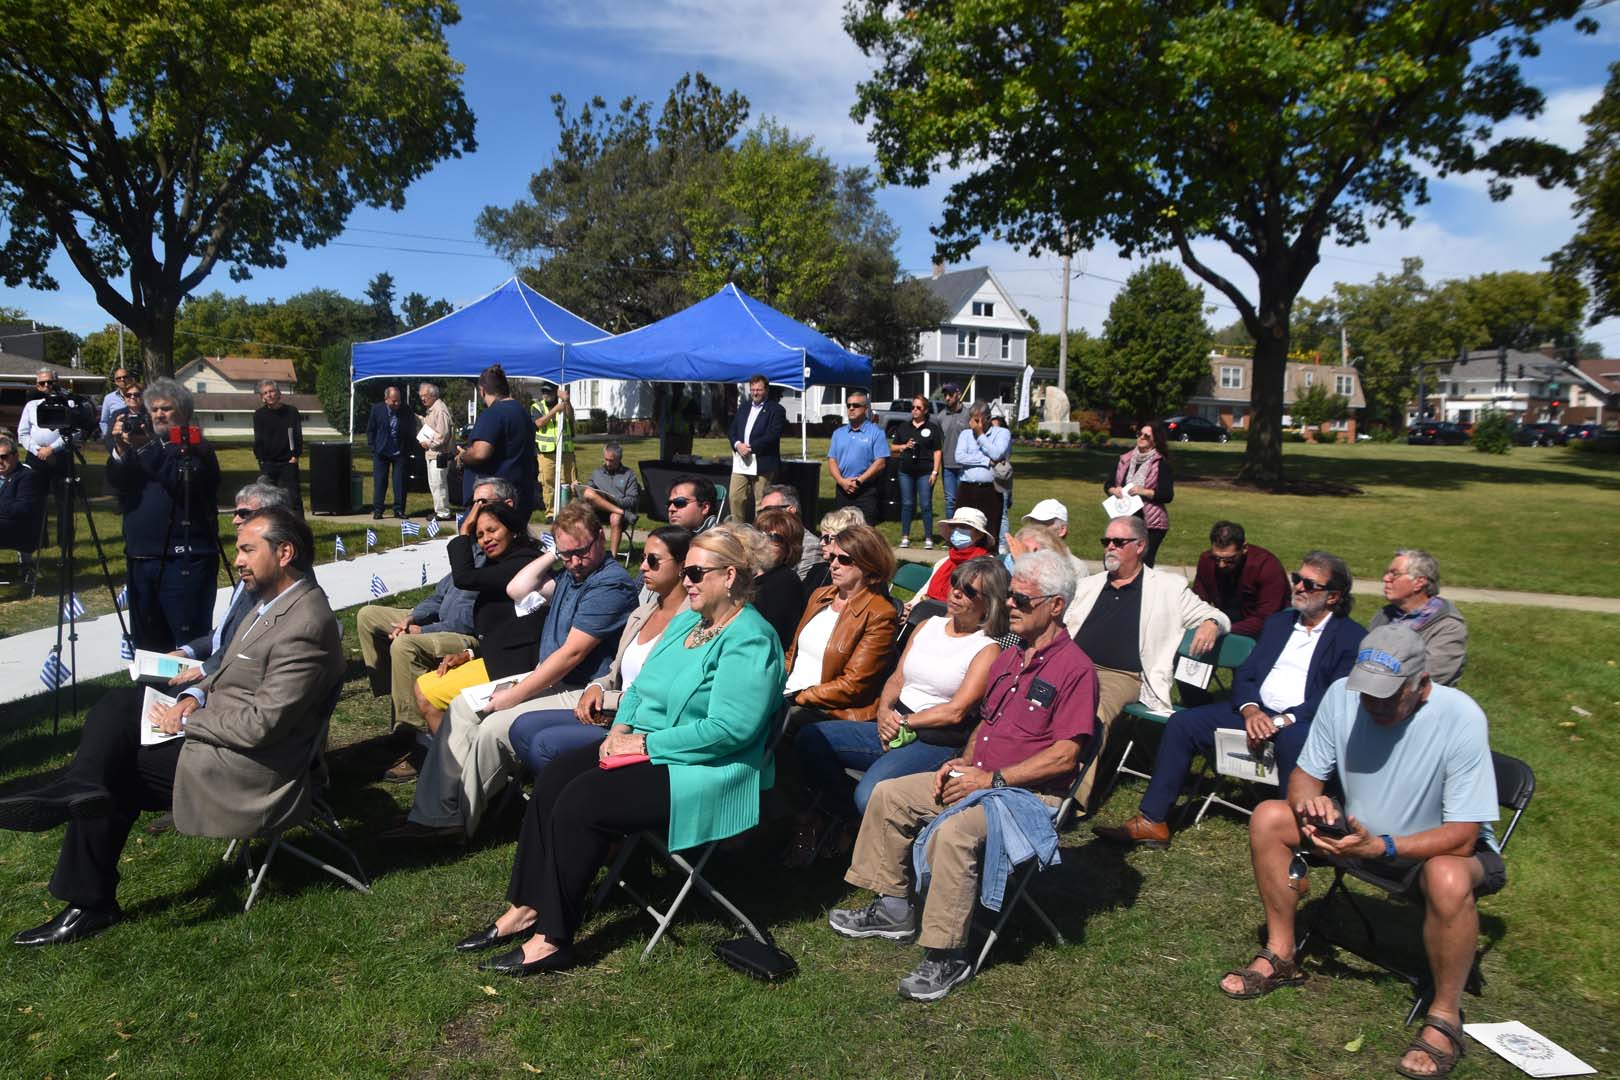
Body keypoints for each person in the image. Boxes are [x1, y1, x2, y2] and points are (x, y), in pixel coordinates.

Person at [0, 507, 343, 945]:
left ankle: (88, 898)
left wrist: (192, 719)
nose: (237, 559)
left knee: (117, 771)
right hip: (225, 738)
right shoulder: (271, 602)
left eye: (246, 549)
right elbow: (226, 670)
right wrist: (191, 696)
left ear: (284, 552)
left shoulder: (306, 623)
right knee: (123, 703)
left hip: (256, 768)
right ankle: (79, 789)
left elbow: (264, 724)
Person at [459, 525, 786, 976]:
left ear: (729, 576)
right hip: (653, 746)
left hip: (707, 767)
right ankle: (528, 906)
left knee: (584, 801)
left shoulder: (750, 638)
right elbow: (641, 683)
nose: (686, 580)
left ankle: (552, 939)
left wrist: (645, 742)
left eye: (695, 571)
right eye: (686, 570)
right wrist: (623, 727)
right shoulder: (692, 620)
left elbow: (731, 730)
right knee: (555, 778)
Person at [1217, 625, 1503, 1080]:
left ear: (1422, 685)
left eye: (1388, 696)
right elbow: (1305, 778)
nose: (1373, 704)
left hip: (1434, 848)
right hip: (1358, 831)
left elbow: (1465, 835)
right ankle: (1282, 954)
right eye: (1367, 692)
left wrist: (1383, 845)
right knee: (1270, 816)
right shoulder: (1341, 695)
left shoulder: (1461, 716)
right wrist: (1310, 806)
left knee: (1448, 876)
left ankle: (1446, 1016)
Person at [829, 548, 1099, 1002]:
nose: (1010, 605)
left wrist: (992, 780)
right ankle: (894, 906)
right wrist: (964, 763)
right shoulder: (1012, 657)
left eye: (1023, 600)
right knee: (889, 795)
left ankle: (946, 954)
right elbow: (985, 725)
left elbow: (1064, 758)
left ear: (1056, 605)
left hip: (1026, 796)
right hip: (981, 777)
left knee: (953, 834)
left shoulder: (1076, 670)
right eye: (1011, 597)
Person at [387, 501, 638, 839]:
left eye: (581, 551)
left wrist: (514, 696)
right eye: (566, 554)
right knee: (462, 705)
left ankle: (455, 822)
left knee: (493, 724)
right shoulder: (571, 572)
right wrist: (557, 553)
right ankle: (434, 812)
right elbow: (517, 589)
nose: (575, 562)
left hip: (580, 688)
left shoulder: (610, 583)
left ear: (601, 537)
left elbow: (572, 654)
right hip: (553, 680)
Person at [1096, 552, 1364, 848]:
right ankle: (1152, 820)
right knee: (1183, 723)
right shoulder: (1280, 623)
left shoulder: (1351, 638)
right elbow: (1246, 673)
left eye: (1309, 584)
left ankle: (1296, 834)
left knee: (1294, 741)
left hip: (1302, 721)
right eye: (1296, 579)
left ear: (1333, 596)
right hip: (1256, 712)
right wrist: (1251, 710)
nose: (1298, 587)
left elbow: (1333, 696)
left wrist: (1282, 720)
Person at [796, 556, 1010, 835]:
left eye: (969, 591)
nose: (956, 592)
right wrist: (884, 712)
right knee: (810, 739)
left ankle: (853, 822)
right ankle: (846, 816)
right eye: (955, 583)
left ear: (989, 602)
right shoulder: (927, 626)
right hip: (892, 724)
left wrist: (905, 722)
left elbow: (956, 710)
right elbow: (897, 678)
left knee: (869, 793)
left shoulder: (986, 649)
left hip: (933, 740)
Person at [1063, 515, 1228, 812]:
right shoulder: (1088, 585)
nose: (1109, 548)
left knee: (1091, 710)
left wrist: (1210, 623)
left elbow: (1217, 614)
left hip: (1121, 675)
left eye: (1118, 542)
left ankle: (1069, 795)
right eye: (1106, 542)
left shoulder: (1167, 588)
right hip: (1072, 665)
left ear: (1140, 546)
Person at [506, 525, 693, 784]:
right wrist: (596, 685)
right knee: (521, 727)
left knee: (543, 744)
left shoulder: (689, 624)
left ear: (683, 565)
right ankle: (558, 796)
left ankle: (565, 801)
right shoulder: (643, 613)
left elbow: (660, 694)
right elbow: (617, 668)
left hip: (637, 722)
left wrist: (607, 699)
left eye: (653, 560)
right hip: (609, 709)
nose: (642, 567)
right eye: (642, 558)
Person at [405, 501, 544, 743]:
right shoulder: (501, 563)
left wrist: (463, 534)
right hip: (494, 657)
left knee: (427, 694)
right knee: (425, 685)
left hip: (516, 669)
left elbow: (465, 577)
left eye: (492, 530)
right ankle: (457, 757)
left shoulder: (525, 563)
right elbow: (500, 630)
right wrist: (470, 653)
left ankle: (454, 766)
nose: (485, 539)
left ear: (512, 529)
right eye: (479, 535)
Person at [107, 378, 221, 653]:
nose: (158, 414)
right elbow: (116, 486)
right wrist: (121, 450)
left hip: (184, 560)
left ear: (183, 413)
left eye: (166, 409)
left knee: (184, 644)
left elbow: (183, 484)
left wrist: (146, 447)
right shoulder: (142, 448)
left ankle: (186, 695)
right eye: (154, 409)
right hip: (140, 557)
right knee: (147, 643)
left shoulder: (197, 448)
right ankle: (150, 695)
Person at [1367, 549, 1469, 686]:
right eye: (1387, 573)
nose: (1386, 578)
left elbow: (1430, 677)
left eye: (1395, 574)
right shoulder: (1384, 615)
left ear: (1419, 582)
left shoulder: (1448, 628)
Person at [459, 364, 539, 523]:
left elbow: (481, 453)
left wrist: (463, 455)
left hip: (493, 503)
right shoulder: (521, 412)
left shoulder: (494, 413)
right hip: (519, 495)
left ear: (482, 391)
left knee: (478, 545)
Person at [1191, 520, 1290, 639]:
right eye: (1217, 558)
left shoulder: (1267, 566)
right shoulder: (1207, 561)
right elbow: (1198, 603)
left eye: (1230, 559)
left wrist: (1222, 627)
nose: (1221, 565)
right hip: (1224, 623)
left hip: (1265, 631)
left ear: (1244, 548)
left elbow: (1267, 617)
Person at [905, 507, 994, 622]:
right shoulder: (945, 561)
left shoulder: (987, 566)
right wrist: (910, 606)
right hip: (925, 616)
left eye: (964, 527)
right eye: (954, 526)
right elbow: (925, 590)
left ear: (979, 534)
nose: (957, 530)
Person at [1106, 421, 1174, 566]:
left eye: (1146, 436)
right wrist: (1114, 490)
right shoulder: (1125, 459)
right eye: (1139, 434)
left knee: (1143, 564)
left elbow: (1167, 495)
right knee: (1116, 561)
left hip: (1151, 523)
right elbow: (1108, 485)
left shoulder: (1161, 463)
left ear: (1155, 441)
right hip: (1124, 519)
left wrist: (1143, 491)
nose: (1141, 438)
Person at [727, 374, 786, 523]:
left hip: (763, 462)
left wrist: (751, 448)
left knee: (761, 503)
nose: (755, 393)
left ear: (766, 390)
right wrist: (737, 445)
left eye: (758, 390)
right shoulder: (744, 407)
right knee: (735, 497)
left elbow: (773, 435)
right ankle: (738, 531)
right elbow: (732, 430)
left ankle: (761, 534)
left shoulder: (776, 410)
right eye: (752, 389)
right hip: (741, 461)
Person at [749, 507, 810, 650]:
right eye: (760, 534)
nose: (763, 542)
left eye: (774, 538)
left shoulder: (785, 582)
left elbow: (766, 633)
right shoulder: (747, 574)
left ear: (790, 548)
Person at [826, 390, 890, 521]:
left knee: (864, 532)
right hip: (843, 489)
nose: (851, 408)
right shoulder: (838, 433)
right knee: (842, 531)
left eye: (855, 405)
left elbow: (881, 462)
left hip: (866, 490)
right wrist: (841, 481)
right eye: (848, 405)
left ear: (865, 408)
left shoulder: (876, 433)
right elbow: (832, 460)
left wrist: (859, 481)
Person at [888, 394, 942, 549]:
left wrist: (934, 472)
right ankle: (905, 537)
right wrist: (904, 446)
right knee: (907, 503)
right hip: (906, 471)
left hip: (925, 472)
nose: (915, 410)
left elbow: (937, 451)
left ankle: (929, 538)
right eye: (913, 407)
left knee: (925, 504)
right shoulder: (904, 427)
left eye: (918, 408)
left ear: (925, 410)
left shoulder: (932, 428)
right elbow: (893, 447)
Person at [951, 403, 1009, 544]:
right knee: (963, 526)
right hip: (967, 486)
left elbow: (996, 454)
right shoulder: (965, 434)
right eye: (971, 419)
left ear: (988, 418)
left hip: (991, 488)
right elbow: (959, 457)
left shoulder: (1001, 433)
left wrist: (980, 435)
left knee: (990, 528)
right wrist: (986, 461)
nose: (973, 424)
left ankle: (991, 556)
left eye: (977, 420)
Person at [574, 441, 642, 558]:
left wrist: (615, 501)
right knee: (588, 495)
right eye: (606, 459)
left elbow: (632, 500)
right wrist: (577, 487)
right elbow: (589, 492)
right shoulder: (597, 473)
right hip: (601, 511)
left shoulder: (629, 475)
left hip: (619, 514)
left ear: (619, 459)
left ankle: (613, 557)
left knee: (615, 517)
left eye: (611, 460)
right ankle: (589, 553)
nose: (608, 463)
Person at [251, 379, 303, 515]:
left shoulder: (291, 412)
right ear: (262, 397)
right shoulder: (259, 415)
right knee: (267, 501)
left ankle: (299, 531)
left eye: (271, 391)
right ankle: (272, 530)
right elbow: (258, 439)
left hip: (288, 462)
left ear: (278, 393)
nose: (269, 395)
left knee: (293, 500)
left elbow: (297, 435)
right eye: (265, 393)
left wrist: (295, 455)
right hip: (268, 464)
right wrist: (260, 459)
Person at [531, 382, 575, 521]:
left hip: (565, 451)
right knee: (548, 482)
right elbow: (538, 423)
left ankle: (568, 513)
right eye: (544, 391)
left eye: (548, 392)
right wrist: (555, 410)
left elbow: (571, 418)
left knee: (568, 483)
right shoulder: (537, 407)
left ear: (556, 392)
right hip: (546, 452)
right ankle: (550, 513)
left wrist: (566, 401)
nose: (545, 394)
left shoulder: (564, 404)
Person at [759, 484, 821, 580]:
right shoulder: (758, 540)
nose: (764, 515)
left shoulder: (810, 545)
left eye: (769, 510)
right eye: (761, 511)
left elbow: (803, 586)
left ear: (791, 511)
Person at [1017, 499, 1090, 581]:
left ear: (1062, 530)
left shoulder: (1076, 569)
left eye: (1044, 525)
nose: (1036, 530)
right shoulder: (1020, 560)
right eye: (1034, 524)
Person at [0, 434, 48, 551]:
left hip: (18, 529)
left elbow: (23, 509)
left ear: (16, 456)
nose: (0, 461)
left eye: (4, 457)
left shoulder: (28, 477)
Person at [417, 382, 456, 521]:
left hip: (440, 454)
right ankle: (439, 510)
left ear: (433, 395)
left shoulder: (440, 409)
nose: (422, 399)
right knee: (434, 484)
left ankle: (443, 512)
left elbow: (442, 434)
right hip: (433, 455)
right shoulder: (432, 409)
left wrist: (429, 444)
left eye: (424, 396)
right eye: (420, 396)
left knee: (439, 483)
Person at [931, 383, 969, 519]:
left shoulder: (968, 415)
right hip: (947, 465)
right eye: (945, 395)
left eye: (950, 395)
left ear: (958, 394)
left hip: (965, 465)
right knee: (950, 502)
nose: (947, 398)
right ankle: (950, 535)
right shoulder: (940, 416)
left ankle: (963, 532)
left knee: (963, 502)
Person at [18, 368, 66, 471]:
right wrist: (39, 451)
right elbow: (23, 433)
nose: (46, 385)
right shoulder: (31, 406)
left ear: (57, 383)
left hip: (60, 454)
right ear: (38, 386)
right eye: (42, 383)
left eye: (49, 382)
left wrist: (51, 449)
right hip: (35, 456)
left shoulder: (68, 404)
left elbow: (75, 432)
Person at [97, 366, 133, 435]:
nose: (122, 379)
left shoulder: (138, 396)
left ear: (130, 378)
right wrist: (109, 438)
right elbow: (104, 422)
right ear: (115, 382)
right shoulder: (108, 398)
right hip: (116, 439)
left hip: (137, 439)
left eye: (125, 377)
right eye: (118, 378)